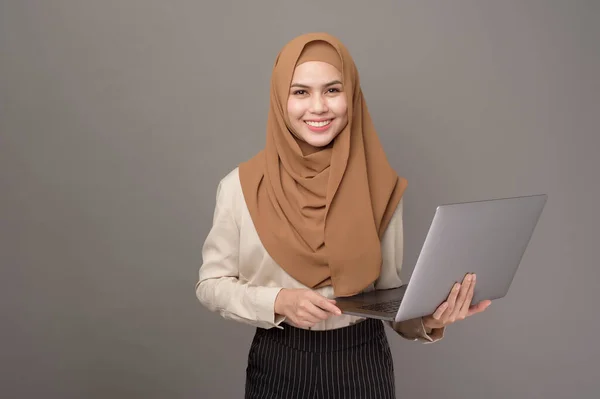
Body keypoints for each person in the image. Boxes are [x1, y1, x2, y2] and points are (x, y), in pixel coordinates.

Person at [195, 32, 491, 399]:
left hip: (362, 362)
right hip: (279, 361)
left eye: (332, 90)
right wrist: (277, 302)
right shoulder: (240, 187)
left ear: (352, 96)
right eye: (300, 92)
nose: (318, 106)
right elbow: (211, 285)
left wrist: (429, 320)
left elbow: (385, 296)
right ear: (279, 99)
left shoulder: (381, 187)